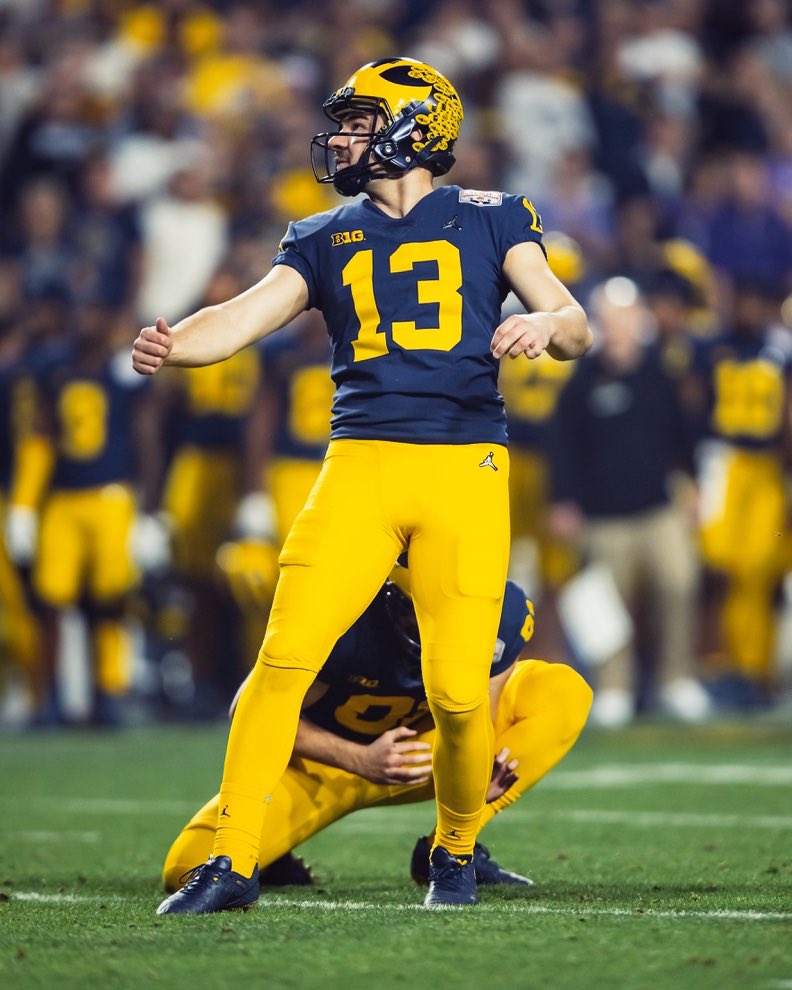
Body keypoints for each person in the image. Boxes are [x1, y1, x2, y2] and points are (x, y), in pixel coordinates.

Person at [133, 56, 591, 913]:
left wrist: (544, 323)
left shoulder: (495, 216)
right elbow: (242, 315)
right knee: (281, 660)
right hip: (359, 466)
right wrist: (176, 342)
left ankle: (454, 852)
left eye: (357, 120)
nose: (340, 136)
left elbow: (576, 323)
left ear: (416, 127)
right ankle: (232, 864)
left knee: (459, 693)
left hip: (465, 467)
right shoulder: (319, 233)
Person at [162, 568, 592, 894]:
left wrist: (475, 772)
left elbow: (488, 706)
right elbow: (246, 710)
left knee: (562, 692)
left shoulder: (502, 612)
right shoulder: (348, 617)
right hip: (321, 767)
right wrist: (358, 759)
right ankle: (267, 854)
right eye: (410, 610)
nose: (417, 622)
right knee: (186, 868)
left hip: (425, 751)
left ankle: (447, 849)